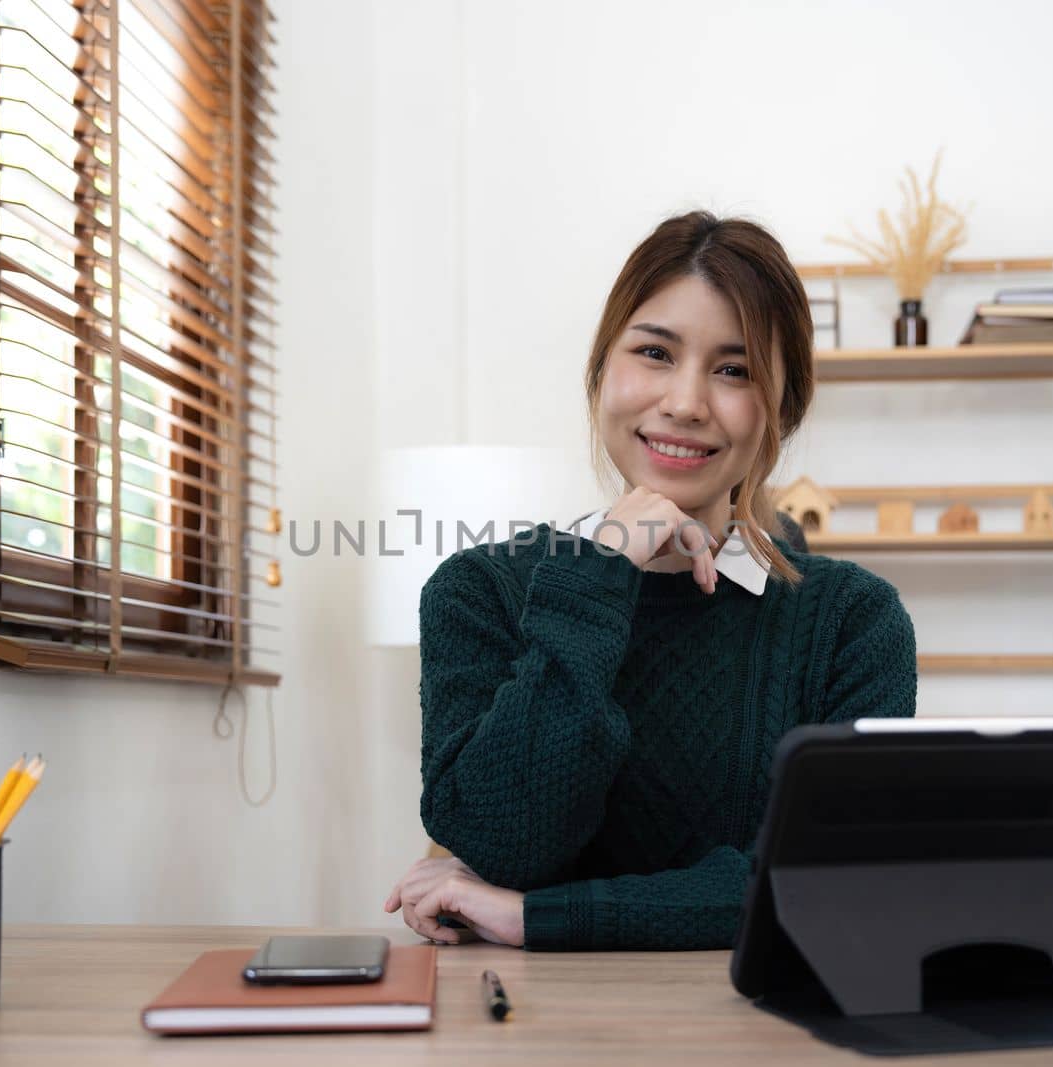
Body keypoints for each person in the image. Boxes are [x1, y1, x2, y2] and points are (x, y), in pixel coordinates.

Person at [383, 211, 918, 950]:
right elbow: (503, 841)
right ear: (603, 368)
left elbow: (840, 878)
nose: (686, 402)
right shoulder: (477, 592)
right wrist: (599, 575)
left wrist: (539, 912)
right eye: (655, 352)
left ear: (781, 409)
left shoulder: (853, 621)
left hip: (769, 1028)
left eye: (734, 370)